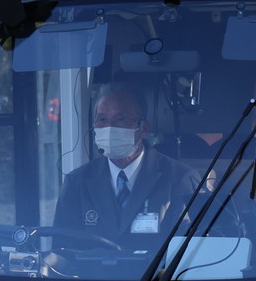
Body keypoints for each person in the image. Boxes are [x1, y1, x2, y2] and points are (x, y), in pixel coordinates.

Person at [52, 83, 201, 243]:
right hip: (91, 269)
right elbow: (62, 251)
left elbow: (188, 248)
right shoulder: (77, 181)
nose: (109, 127)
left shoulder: (179, 178)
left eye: (120, 119)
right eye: (102, 119)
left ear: (143, 128)